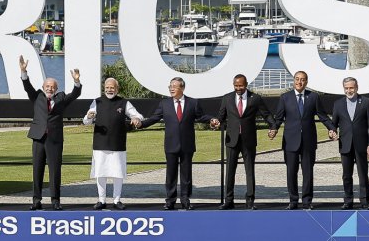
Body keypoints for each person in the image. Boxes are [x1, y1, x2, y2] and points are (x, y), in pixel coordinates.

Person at [139, 76, 215, 210]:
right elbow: (154, 118)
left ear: (182, 88)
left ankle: (185, 199)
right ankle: (170, 200)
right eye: (170, 86)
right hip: (171, 144)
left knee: (186, 175)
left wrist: (212, 119)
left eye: (174, 86)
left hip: (187, 144)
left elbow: (201, 116)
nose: (171, 89)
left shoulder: (193, 103)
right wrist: (141, 124)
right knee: (171, 174)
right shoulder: (165, 103)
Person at [19, 55, 82, 211]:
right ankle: (36, 200)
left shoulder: (61, 98)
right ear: (43, 87)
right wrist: (24, 72)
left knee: (55, 170)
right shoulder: (37, 96)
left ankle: (55, 200)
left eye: (52, 87)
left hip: (54, 140)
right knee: (37, 169)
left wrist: (76, 82)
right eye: (47, 86)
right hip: (38, 138)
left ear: (56, 89)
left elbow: (75, 94)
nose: (49, 88)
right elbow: (27, 86)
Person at [269, 70, 336, 210]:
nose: (299, 82)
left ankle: (307, 201)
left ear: (306, 82)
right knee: (291, 172)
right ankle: (293, 201)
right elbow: (279, 118)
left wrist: (332, 128)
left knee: (308, 172)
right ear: (294, 80)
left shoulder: (314, 97)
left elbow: (323, 116)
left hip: (308, 141)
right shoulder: (285, 97)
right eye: (297, 79)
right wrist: (274, 129)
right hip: (290, 141)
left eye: (303, 79)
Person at [213, 74, 276, 210]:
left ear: (246, 84)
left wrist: (273, 127)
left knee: (249, 171)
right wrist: (216, 122)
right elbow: (221, 116)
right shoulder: (227, 98)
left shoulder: (255, 98)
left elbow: (266, 115)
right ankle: (228, 201)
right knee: (230, 171)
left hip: (249, 140)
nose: (238, 88)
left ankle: (250, 201)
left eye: (240, 85)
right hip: (232, 140)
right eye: (236, 86)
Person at [82, 78, 143, 210]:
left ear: (117, 89)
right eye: (107, 87)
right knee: (100, 173)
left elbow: (138, 116)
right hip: (100, 143)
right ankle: (101, 200)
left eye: (112, 88)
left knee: (118, 173)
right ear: (104, 88)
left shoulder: (124, 102)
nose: (109, 90)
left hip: (118, 143)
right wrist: (89, 116)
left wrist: (136, 119)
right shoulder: (97, 101)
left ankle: (117, 200)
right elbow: (86, 121)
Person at [331, 76, 369, 210]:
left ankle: (365, 201)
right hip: (345, 144)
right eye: (346, 88)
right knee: (346, 175)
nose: (349, 90)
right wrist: (332, 132)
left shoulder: (366, 102)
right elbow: (333, 124)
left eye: (351, 87)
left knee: (363, 174)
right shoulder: (338, 104)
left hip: (362, 144)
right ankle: (348, 201)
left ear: (357, 87)